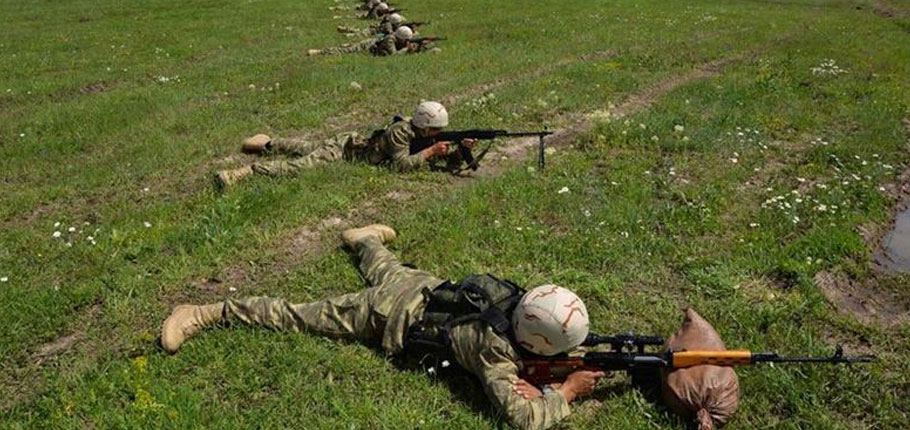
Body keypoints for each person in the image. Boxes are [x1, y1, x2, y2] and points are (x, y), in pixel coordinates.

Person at [161, 224, 605, 430]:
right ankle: (206, 311)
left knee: (386, 266)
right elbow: (523, 419)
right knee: (297, 315)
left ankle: (366, 238)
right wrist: (567, 392)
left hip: (425, 288)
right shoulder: (495, 352)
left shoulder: (518, 304)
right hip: (385, 315)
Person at [214, 101, 456, 188]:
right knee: (300, 166)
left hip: (348, 144)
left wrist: (455, 151)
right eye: (437, 130)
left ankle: (268, 143)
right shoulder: (401, 132)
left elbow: (423, 153)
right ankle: (246, 172)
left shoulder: (417, 131)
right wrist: (431, 151)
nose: (438, 134)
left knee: (304, 147)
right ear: (425, 126)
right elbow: (400, 165)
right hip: (344, 152)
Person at [308, 25, 417, 56]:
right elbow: (393, 55)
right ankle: (320, 51)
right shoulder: (390, 39)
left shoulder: (396, 38)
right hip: (368, 45)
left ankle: (349, 43)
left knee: (351, 46)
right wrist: (406, 49)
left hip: (372, 42)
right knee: (347, 51)